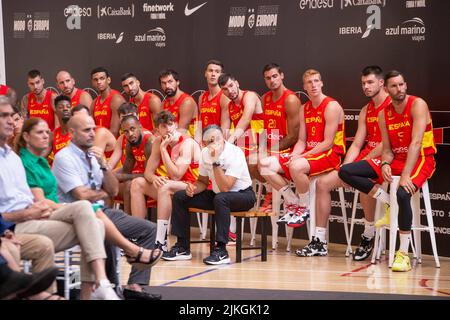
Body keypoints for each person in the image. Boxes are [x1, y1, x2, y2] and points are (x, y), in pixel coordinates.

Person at [0, 97, 119, 300]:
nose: (11, 120)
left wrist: (37, 207)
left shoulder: (13, 157)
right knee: (84, 208)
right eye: (4, 116)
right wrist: (27, 213)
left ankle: (90, 293)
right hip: (17, 223)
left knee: (96, 224)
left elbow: (114, 191)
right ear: (27, 137)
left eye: (12, 115)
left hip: (33, 216)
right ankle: (104, 280)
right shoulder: (30, 160)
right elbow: (81, 194)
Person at [52, 112, 163, 299]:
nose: (92, 134)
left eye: (93, 129)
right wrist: (102, 193)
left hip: (101, 211)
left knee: (149, 229)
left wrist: (103, 164)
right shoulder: (64, 158)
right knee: (103, 230)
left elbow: (112, 190)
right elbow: (81, 195)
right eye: (86, 130)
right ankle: (109, 285)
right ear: (72, 132)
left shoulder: (93, 156)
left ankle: (134, 286)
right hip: (77, 216)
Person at [339, 70, 437, 272]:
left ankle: (403, 253)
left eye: (401, 84)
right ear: (387, 89)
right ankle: (386, 200)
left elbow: (416, 143)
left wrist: (406, 175)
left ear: (406, 85)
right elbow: (387, 150)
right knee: (346, 171)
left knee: (403, 193)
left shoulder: (418, 104)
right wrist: (384, 164)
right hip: (396, 159)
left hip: (421, 158)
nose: (399, 89)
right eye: (394, 86)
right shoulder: (384, 114)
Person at [309, 66, 390, 259]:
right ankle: (319, 241)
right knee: (323, 183)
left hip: (385, 159)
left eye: (370, 82)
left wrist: (355, 168)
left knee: (362, 181)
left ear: (381, 83)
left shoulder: (390, 106)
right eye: (363, 83)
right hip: (364, 160)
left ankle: (369, 235)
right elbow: (356, 144)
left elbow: (384, 144)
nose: (366, 87)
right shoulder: (365, 110)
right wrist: (346, 167)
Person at [260, 69, 346, 252]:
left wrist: (301, 157)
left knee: (297, 166)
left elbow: (328, 142)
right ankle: (291, 200)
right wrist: (295, 154)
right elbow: (301, 141)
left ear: (322, 83)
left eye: (316, 81)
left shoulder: (331, 106)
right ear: (304, 86)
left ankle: (304, 206)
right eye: (309, 82)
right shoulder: (304, 108)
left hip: (330, 154)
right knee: (264, 164)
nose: (313, 85)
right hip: (308, 152)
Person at [164, 125, 255, 265]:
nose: (215, 143)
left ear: (222, 137)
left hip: (243, 196)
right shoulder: (204, 153)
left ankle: (221, 250)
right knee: (180, 197)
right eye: (210, 141)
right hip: (219, 195)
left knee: (221, 198)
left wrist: (215, 161)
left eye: (217, 139)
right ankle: (182, 247)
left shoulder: (235, 153)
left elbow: (226, 187)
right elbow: (202, 181)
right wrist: (192, 189)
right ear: (204, 143)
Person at [130, 110, 201, 251]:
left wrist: (163, 150)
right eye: (163, 126)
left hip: (194, 187)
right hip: (173, 187)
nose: (168, 129)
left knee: (165, 187)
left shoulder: (187, 143)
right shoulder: (158, 141)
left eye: (170, 124)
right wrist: (154, 178)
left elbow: (177, 175)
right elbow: (148, 172)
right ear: (157, 129)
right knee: (137, 184)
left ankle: (160, 240)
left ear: (175, 125)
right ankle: (139, 235)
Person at [218, 73, 264, 241]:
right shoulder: (229, 105)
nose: (230, 91)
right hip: (243, 147)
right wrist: (222, 144)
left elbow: (246, 119)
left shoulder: (249, 96)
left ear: (237, 83)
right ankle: (230, 228)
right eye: (225, 89)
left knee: (232, 164)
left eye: (231, 86)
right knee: (220, 167)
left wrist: (229, 142)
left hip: (260, 144)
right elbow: (224, 127)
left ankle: (231, 228)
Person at [257, 63, 301, 212]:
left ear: (282, 75)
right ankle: (272, 190)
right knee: (250, 160)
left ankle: (289, 198)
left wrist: (269, 151)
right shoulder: (264, 99)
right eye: (268, 78)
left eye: (275, 76)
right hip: (271, 147)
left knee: (262, 163)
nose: (272, 80)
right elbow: (262, 130)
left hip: (289, 148)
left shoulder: (290, 100)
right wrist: (262, 149)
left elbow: (293, 136)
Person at [115, 115, 153, 214]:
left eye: (132, 129)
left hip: (159, 178)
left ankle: (131, 223)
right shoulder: (130, 141)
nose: (130, 134)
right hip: (143, 176)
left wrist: (122, 176)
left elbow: (148, 175)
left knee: (129, 184)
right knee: (108, 181)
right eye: (126, 132)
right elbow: (126, 170)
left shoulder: (150, 141)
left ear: (140, 126)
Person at [160, 69, 198, 137]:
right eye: (164, 83)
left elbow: (181, 131)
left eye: (170, 82)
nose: (167, 86)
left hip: (188, 142)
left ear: (177, 82)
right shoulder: (163, 104)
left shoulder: (187, 102)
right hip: (170, 140)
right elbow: (161, 129)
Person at [197, 60, 229, 139]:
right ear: (205, 73)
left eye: (217, 72)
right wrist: (197, 143)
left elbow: (225, 128)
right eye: (210, 71)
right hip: (204, 141)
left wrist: (215, 145)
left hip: (218, 142)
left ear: (221, 75)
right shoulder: (202, 97)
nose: (213, 74)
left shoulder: (224, 97)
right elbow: (199, 126)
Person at [91, 67, 126, 137]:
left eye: (102, 78)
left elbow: (114, 132)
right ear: (92, 83)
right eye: (95, 80)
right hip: (99, 143)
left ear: (108, 80)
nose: (99, 82)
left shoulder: (116, 99)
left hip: (114, 144)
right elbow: (90, 129)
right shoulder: (94, 102)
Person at [48, 95, 72, 165]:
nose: (65, 109)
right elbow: (41, 157)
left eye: (68, 106)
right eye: (61, 107)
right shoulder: (52, 135)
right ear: (55, 110)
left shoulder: (78, 132)